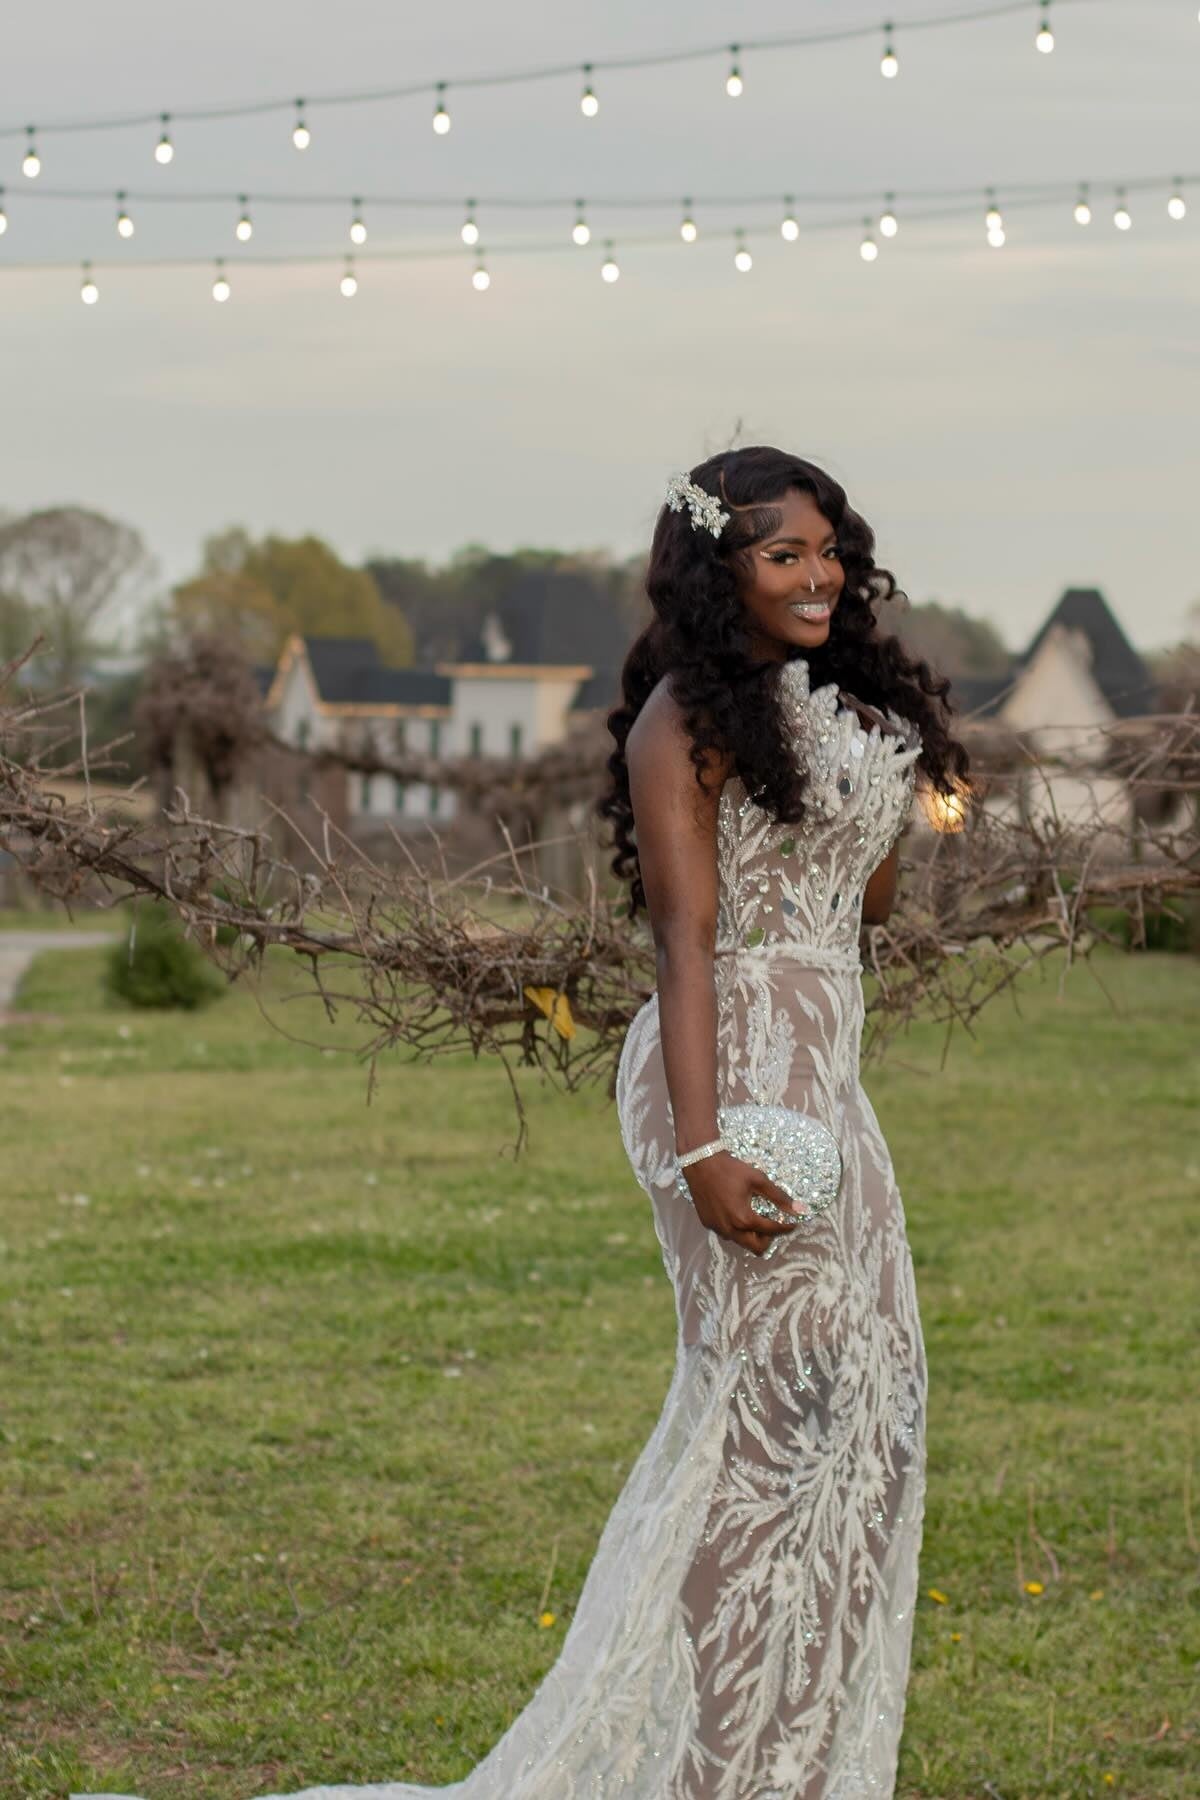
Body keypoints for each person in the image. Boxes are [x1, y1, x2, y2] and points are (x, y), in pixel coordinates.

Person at [73, 446, 969, 1800]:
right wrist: (703, 1145)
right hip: (725, 1070)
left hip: (827, 1074)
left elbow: (870, 907)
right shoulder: (683, 722)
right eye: (783, 553)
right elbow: (683, 941)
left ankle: (798, 1749)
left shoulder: (840, 715)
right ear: (718, 569)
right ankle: (722, 1762)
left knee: (874, 1406)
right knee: (765, 1415)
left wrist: (886, 784)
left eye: (830, 551)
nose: (819, 576)